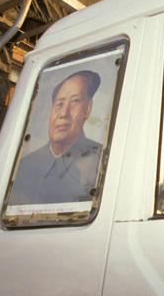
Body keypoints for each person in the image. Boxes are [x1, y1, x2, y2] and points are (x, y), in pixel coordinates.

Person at [8, 70, 103, 205]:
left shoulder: (101, 160)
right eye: (59, 104)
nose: (63, 113)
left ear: (88, 109)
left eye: (75, 101)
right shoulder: (24, 165)